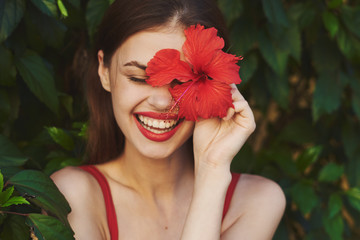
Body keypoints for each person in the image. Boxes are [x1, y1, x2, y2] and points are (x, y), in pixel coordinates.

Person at [51, 0, 286, 239]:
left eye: (182, 81)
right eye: (138, 78)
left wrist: (212, 170)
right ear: (104, 72)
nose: (163, 102)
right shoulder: (71, 196)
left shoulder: (258, 201)